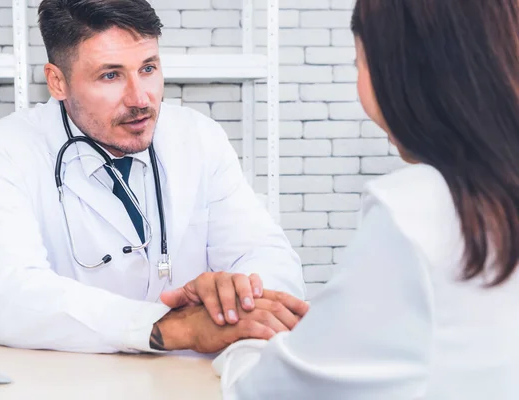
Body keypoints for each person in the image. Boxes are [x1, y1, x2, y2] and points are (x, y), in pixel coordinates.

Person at [0, 0, 307, 355]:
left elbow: (266, 253)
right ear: (57, 82)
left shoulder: (199, 137)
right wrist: (174, 327)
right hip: (69, 382)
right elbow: (10, 298)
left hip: (189, 381)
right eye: (111, 75)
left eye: (148, 68)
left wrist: (242, 299)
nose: (141, 99)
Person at [213, 0, 519, 398]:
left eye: (359, 62)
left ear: (401, 72)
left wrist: (242, 338)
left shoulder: (417, 212)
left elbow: (272, 392)